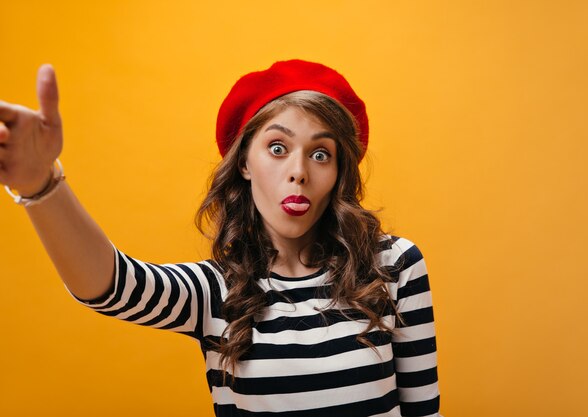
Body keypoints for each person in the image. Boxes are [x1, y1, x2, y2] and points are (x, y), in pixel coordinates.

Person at [0, 60, 442, 416]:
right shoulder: (216, 292)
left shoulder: (394, 265)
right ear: (244, 163)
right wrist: (42, 185)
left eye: (321, 153)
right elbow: (110, 286)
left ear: (339, 172)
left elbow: (423, 412)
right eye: (277, 147)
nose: (299, 171)